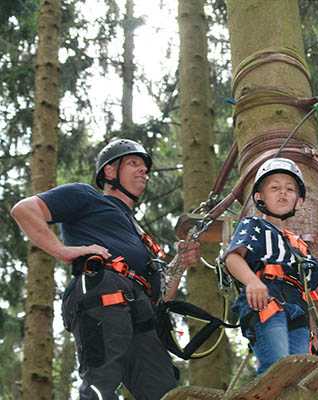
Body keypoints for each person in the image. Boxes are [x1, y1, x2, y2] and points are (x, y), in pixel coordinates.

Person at [11, 138, 199, 400]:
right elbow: (24, 210)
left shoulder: (139, 233)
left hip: (141, 307)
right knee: (102, 385)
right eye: (133, 163)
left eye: (145, 167)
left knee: (164, 391)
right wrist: (63, 251)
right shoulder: (86, 196)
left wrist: (180, 264)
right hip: (103, 290)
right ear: (110, 172)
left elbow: (162, 298)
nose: (143, 170)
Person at [224, 157, 318, 374]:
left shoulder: (299, 247)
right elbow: (232, 258)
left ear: (298, 201)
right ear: (260, 196)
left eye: (290, 189)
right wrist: (252, 282)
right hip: (266, 302)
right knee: (278, 366)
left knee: (299, 374)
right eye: (275, 188)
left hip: (298, 313)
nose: (283, 193)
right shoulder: (254, 225)